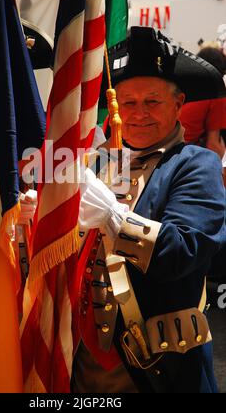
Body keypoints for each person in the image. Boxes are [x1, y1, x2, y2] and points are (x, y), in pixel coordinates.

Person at [71, 27, 226, 393]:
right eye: (127, 102)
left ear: (178, 104)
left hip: (156, 367)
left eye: (152, 101)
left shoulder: (195, 164)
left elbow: (182, 251)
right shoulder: (97, 165)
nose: (138, 114)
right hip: (81, 360)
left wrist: (114, 217)